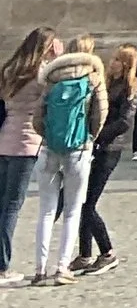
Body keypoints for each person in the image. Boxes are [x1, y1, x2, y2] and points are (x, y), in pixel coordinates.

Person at [29, 37, 105, 285]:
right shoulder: (94, 77)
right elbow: (101, 113)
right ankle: (63, 268)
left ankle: (40, 270)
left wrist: (48, 136)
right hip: (79, 150)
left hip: (50, 149)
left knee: (46, 211)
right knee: (72, 212)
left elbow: (37, 117)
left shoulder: (52, 79)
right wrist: (89, 137)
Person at [0, 31, 62, 277]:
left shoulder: (9, 71)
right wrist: (58, 58)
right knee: (12, 206)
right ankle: (2, 266)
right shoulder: (42, 75)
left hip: (4, 140)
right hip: (27, 144)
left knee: (1, 204)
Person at [70, 45, 136, 276]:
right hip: (97, 147)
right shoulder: (109, 83)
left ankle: (107, 253)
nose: (113, 62)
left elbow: (124, 122)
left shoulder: (130, 87)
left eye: (118, 60)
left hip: (110, 149)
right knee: (81, 201)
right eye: (114, 59)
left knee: (88, 204)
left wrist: (98, 134)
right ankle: (85, 254)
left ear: (126, 64)